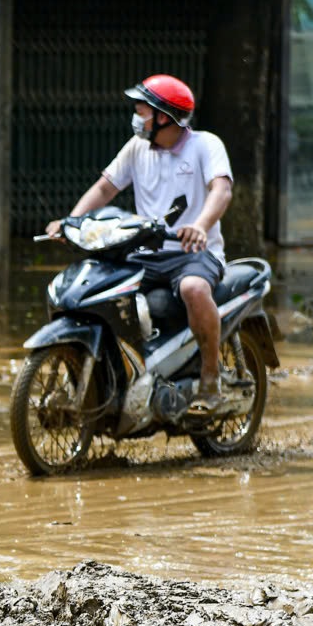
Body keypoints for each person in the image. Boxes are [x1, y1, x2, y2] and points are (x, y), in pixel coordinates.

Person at [46, 74, 234, 415]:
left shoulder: (206, 145)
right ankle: (127, 377)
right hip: (147, 254)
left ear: (163, 116)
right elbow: (105, 188)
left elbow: (221, 190)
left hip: (194, 254)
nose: (136, 117)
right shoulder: (137, 149)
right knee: (102, 288)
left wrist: (201, 226)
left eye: (141, 111)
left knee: (193, 289)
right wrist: (71, 221)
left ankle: (210, 379)